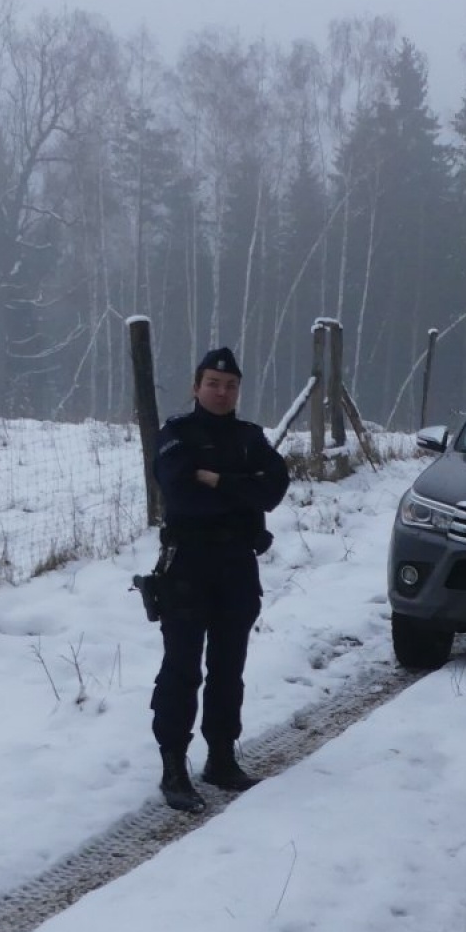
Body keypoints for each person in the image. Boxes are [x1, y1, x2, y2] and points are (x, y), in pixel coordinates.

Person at [150, 346, 290, 813]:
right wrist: (242, 486)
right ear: (196, 387)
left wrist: (217, 480)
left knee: (229, 667)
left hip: (237, 566)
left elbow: (273, 490)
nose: (222, 392)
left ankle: (221, 759)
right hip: (187, 566)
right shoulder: (176, 434)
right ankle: (174, 767)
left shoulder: (250, 437)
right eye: (213, 383)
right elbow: (182, 497)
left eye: (230, 385)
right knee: (182, 669)